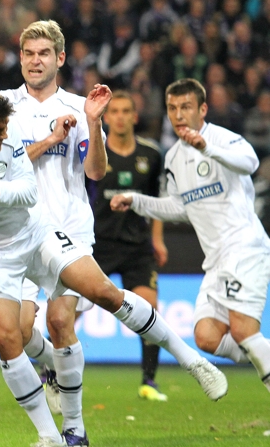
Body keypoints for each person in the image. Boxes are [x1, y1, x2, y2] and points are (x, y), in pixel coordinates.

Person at [0, 84, 228, 447]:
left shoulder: (6, 139)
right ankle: (50, 439)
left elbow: (28, 191)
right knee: (10, 336)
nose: (5, 136)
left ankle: (192, 360)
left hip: (35, 231)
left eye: (4, 129)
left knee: (103, 292)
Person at [111, 78, 270, 395]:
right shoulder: (173, 158)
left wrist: (207, 147)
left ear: (203, 109)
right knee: (207, 336)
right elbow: (181, 207)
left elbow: (250, 162)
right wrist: (137, 200)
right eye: (172, 108)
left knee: (242, 329)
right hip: (216, 261)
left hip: (245, 247)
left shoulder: (224, 139)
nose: (178, 114)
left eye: (186, 107)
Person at [0, 19, 109, 447]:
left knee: (59, 321)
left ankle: (76, 431)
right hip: (21, 232)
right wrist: (49, 139)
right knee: (21, 332)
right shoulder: (4, 107)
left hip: (68, 228)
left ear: (60, 59)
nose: (35, 61)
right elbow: (2, 167)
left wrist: (94, 125)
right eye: (28, 54)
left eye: (44, 53)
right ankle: (52, 371)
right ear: (21, 58)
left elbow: (96, 172)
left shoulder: (81, 107)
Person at [87, 91, 168, 401]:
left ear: (135, 116)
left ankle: (149, 381)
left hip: (137, 246)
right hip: (98, 244)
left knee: (150, 311)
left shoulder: (151, 153)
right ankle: (53, 371)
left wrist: (157, 239)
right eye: (114, 112)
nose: (119, 117)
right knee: (66, 312)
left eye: (125, 111)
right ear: (106, 118)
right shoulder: (96, 152)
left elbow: (157, 202)